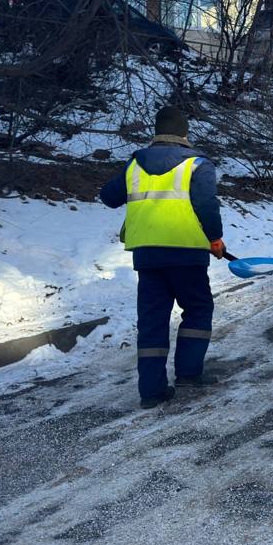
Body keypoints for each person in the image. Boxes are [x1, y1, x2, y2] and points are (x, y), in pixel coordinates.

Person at [100, 106, 226, 409]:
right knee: (197, 309)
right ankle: (188, 374)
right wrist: (215, 238)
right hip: (187, 254)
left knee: (153, 321)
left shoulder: (135, 164)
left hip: (148, 257)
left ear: (156, 133)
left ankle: (151, 391)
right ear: (185, 134)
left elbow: (108, 197)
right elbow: (206, 205)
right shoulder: (197, 165)